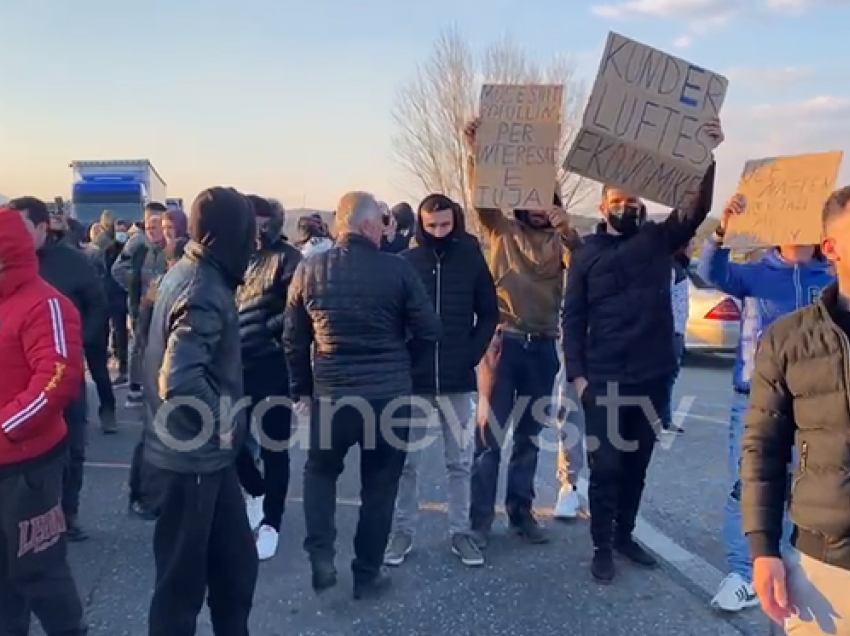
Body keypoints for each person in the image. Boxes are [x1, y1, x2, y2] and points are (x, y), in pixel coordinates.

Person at [563, 118, 724, 584]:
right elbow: (572, 319)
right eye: (620, 202)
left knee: (637, 464)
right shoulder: (586, 254)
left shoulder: (659, 241)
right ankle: (601, 546)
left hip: (652, 375)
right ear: (604, 206)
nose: (628, 208)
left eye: (634, 202)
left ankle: (625, 534)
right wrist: (579, 377)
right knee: (607, 465)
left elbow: (696, 207)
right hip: (604, 378)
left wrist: (705, 153)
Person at [285, 191, 441, 599]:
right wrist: (406, 367)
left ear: (341, 225)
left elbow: (293, 339)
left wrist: (301, 388)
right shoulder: (399, 269)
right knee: (380, 486)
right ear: (372, 225)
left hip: (332, 395)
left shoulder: (309, 270)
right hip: (389, 396)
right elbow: (430, 330)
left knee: (319, 472)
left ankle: (321, 555)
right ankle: (367, 573)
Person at [699, 194, 835, 612]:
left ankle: (805, 568)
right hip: (756, 397)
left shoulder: (831, 275)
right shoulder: (755, 273)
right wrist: (722, 231)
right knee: (750, 484)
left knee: (815, 486)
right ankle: (743, 572)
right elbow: (709, 271)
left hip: (818, 400)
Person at [142, 187, 258, 636]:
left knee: (236, 568)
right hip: (190, 457)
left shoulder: (192, 270)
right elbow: (179, 378)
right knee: (179, 587)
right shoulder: (202, 285)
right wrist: (223, 422)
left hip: (204, 457)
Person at [462, 117, 577, 547]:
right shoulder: (502, 231)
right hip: (503, 345)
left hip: (544, 347)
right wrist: (478, 153)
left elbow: (583, 266)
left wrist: (566, 228)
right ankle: (478, 521)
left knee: (529, 436)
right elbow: (482, 201)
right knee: (489, 437)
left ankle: (520, 512)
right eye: (527, 198)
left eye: (542, 199)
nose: (535, 206)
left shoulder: (563, 243)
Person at [742, 185, 850, 636]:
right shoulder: (788, 339)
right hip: (825, 565)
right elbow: (762, 450)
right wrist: (763, 550)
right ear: (832, 248)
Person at [384, 194, 499, 568]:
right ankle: (402, 531)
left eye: (445, 225)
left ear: (456, 221)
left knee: (460, 463)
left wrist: (470, 353)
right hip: (413, 379)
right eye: (431, 225)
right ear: (420, 223)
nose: (438, 232)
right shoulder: (406, 262)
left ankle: (460, 532)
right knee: (405, 463)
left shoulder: (471, 258)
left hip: (456, 378)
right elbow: (391, 317)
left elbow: (489, 313)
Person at [0, 208, 88, 636]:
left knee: (40, 573)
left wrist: (3, 428)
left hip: (29, 468)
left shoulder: (46, 304)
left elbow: (57, 380)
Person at [8, 196, 107, 542]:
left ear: (41, 226)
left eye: (21, 228)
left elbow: (97, 305)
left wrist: (80, 347)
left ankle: (67, 512)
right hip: (20, 386)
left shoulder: (72, 263)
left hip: (63, 372)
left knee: (72, 445)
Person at [235, 195, 302, 561]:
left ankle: (271, 522)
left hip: (273, 365)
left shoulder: (289, 258)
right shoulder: (234, 256)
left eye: (260, 221)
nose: (255, 228)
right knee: (230, 440)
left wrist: (264, 328)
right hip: (234, 365)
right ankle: (256, 491)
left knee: (275, 448)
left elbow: (297, 309)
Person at [127, 238, 187, 521]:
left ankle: (143, 495)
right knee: (158, 437)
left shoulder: (162, 287)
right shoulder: (173, 288)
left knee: (153, 434)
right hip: (161, 367)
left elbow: (142, 330)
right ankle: (147, 497)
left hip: (155, 364)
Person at [112, 202, 168, 408]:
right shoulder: (137, 243)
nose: (153, 228)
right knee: (139, 346)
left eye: (158, 223)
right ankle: (135, 389)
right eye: (149, 223)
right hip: (142, 304)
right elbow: (118, 270)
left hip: (162, 304)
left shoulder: (170, 246)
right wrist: (136, 282)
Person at [662, 240, 693, 434]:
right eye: (690, 244)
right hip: (668, 331)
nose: (693, 248)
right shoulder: (670, 269)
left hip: (678, 330)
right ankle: (658, 421)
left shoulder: (679, 268)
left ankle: (664, 419)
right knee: (663, 379)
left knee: (669, 378)